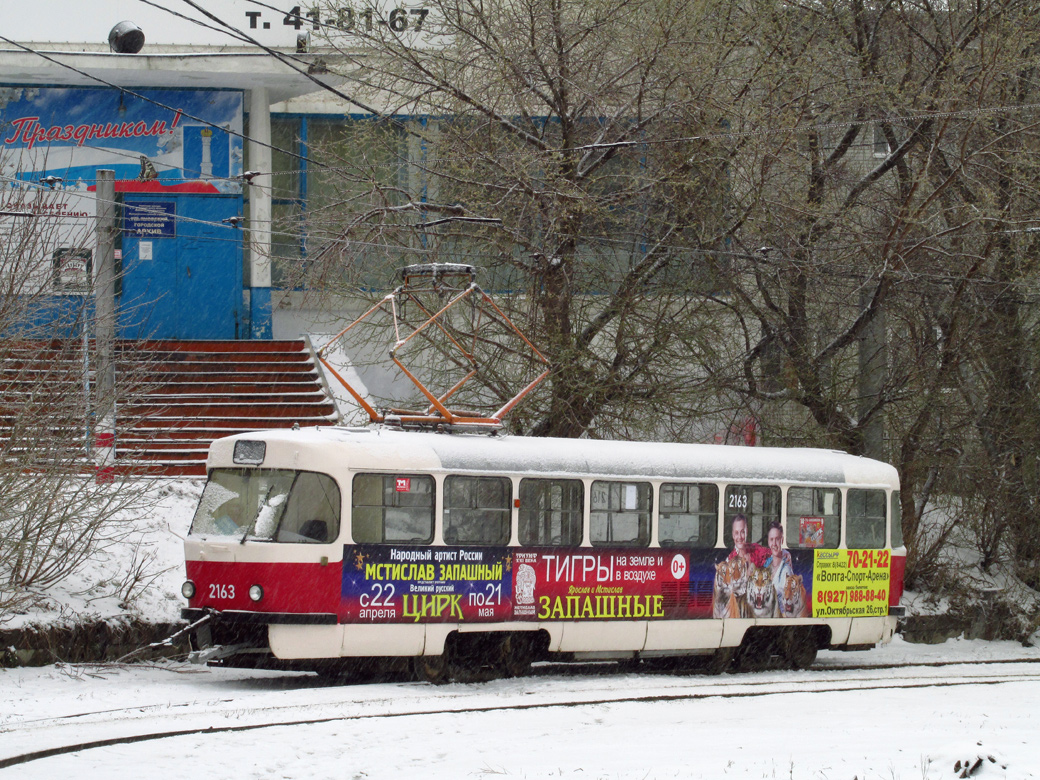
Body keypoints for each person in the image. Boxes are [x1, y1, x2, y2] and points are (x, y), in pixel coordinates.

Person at [764, 519, 794, 611]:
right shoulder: (766, 564)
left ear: (782, 540)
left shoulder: (786, 570)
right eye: (771, 539)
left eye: (777, 539)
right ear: (768, 541)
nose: (774, 544)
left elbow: (789, 604)